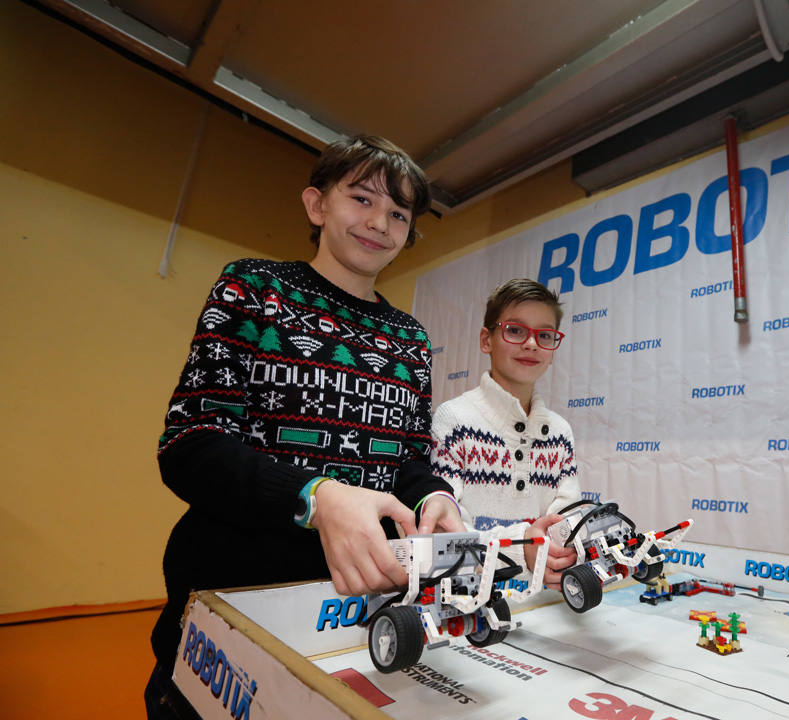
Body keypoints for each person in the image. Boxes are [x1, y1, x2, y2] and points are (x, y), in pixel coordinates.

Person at [145, 135, 463, 719]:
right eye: (362, 199)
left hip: (357, 620)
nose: (380, 223)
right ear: (317, 206)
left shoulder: (410, 338)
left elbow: (410, 460)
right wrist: (314, 496)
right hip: (232, 613)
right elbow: (190, 444)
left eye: (398, 213)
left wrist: (435, 496)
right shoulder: (252, 287)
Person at [430, 279, 581, 588]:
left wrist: (564, 551)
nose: (531, 344)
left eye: (545, 335)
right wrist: (520, 547)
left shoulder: (560, 431)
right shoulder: (453, 419)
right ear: (487, 340)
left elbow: (567, 517)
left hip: (544, 601)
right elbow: (445, 534)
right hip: (471, 600)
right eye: (515, 330)